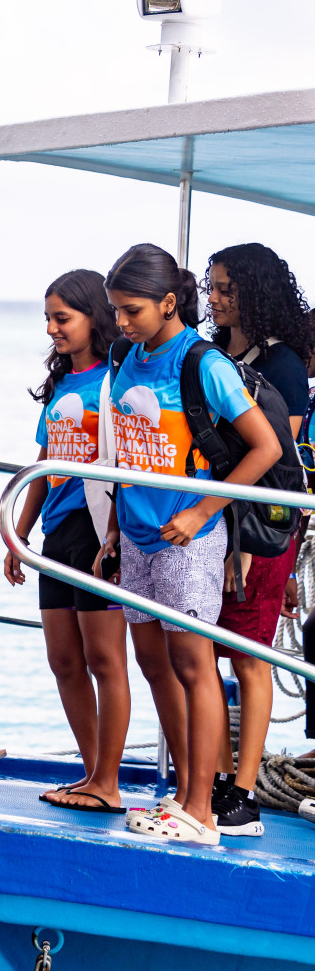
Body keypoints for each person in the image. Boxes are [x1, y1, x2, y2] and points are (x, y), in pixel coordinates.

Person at [92, 243, 281, 846]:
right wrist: (115, 528)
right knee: (159, 666)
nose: (119, 323)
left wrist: (202, 509)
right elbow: (126, 446)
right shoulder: (126, 356)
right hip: (139, 536)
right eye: (116, 311)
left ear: (169, 303)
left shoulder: (202, 363)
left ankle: (201, 807)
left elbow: (265, 447)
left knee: (196, 665)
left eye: (131, 311)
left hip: (189, 538)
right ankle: (182, 794)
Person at [4, 270, 130, 811]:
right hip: (56, 530)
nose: (53, 329)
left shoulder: (115, 379)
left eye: (63, 318)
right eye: (49, 320)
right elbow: (45, 461)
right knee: (64, 660)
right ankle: (89, 773)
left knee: (105, 659)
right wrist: (19, 532)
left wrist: (118, 536)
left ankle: (110, 781)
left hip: (97, 530)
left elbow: (131, 461)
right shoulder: (61, 386)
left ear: (92, 317)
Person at [204, 242, 314, 836]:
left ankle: (243, 792)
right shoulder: (212, 354)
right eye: (211, 288)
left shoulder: (284, 365)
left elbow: (276, 458)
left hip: (260, 528)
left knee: (248, 656)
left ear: (256, 292)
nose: (215, 299)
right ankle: (214, 779)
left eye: (227, 288)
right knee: (202, 651)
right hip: (208, 523)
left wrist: (241, 538)